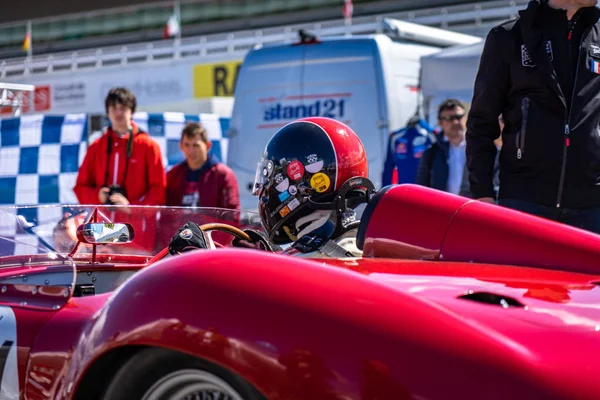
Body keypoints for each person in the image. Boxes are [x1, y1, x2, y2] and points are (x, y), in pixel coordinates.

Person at [466, 0, 600, 234]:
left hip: (592, 204)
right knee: (521, 273)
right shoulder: (507, 37)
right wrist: (482, 193)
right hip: (524, 199)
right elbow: (481, 121)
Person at [168, 117, 375, 258]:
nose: (266, 189)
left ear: (299, 184)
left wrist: (203, 262)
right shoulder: (365, 241)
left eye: (271, 176)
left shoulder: (312, 258)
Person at [73, 87, 166, 206]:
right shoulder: (96, 147)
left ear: (131, 112)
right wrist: (97, 196)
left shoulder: (148, 146)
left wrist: (132, 207)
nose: (118, 113)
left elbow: (159, 191)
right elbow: (80, 187)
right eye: (114, 108)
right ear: (108, 112)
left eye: (123, 108)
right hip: (104, 222)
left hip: (136, 223)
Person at [166, 121, 240, 210]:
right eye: (187, 145)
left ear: (208, 145)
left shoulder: (223, 175)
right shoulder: (173, 175)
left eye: (196, 145)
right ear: (181, 146)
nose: (191, 151)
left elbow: (232, 213)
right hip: (181, 224)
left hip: (211, 224)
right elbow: (166, 214)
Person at [416, 99, 471, 197]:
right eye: (449, 118)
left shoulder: (480, 149)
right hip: (443, 209)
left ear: (466, 118)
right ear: (441, 122)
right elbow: (422, 189)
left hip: (473, 208)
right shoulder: (431, 153)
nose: (455, 122)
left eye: (458, 117)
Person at [382, 116, 435, 186]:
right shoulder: (395, 138)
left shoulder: (430, 136)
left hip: (428, 191)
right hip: (406, 191)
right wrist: (385, 192)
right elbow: (388, 169)